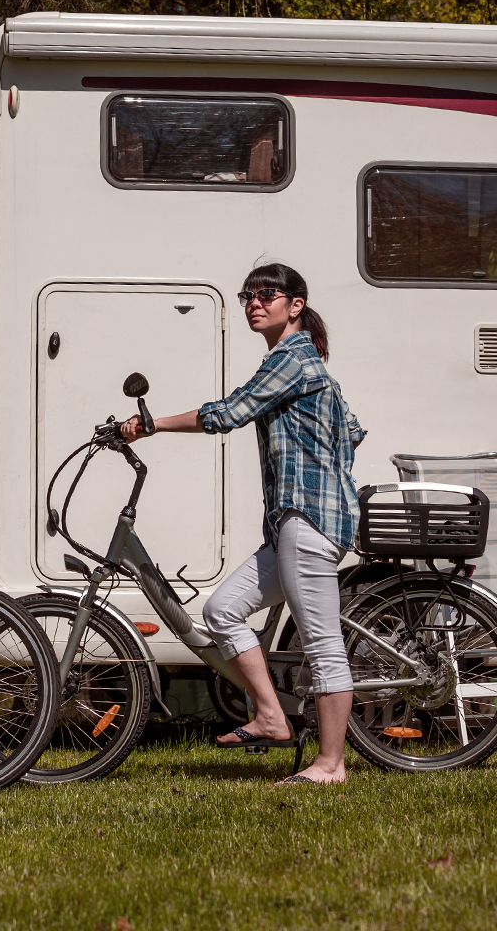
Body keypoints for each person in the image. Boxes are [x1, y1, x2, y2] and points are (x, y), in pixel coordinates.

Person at [121, 263, 365, 785]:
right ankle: (272, 716)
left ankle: (331, 765)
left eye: (267, 295)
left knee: (321, 644)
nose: (254, 302)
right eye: (247, 295)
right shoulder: (304, 364)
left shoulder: (294, 359)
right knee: (223, 609)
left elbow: (229, 413)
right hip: (291, 523)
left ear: (294, 305)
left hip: (309, 516)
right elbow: (353, 432)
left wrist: (151, 424)